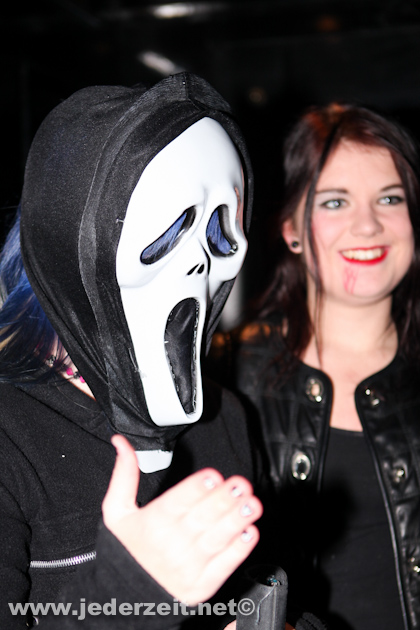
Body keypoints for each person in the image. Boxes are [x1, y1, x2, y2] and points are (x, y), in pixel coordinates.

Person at [0, 72, 265, 629]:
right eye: (169, 232)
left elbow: (266, 595)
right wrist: (129, 593)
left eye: (221, 232)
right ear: (73, 239)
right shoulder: (11, 440)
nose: (200, 262)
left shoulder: (226, 420)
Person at [208, 102, 420, 630]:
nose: (368, 225)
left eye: (390, 198)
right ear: (290, 228)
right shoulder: (222, 375)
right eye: (335, 202)